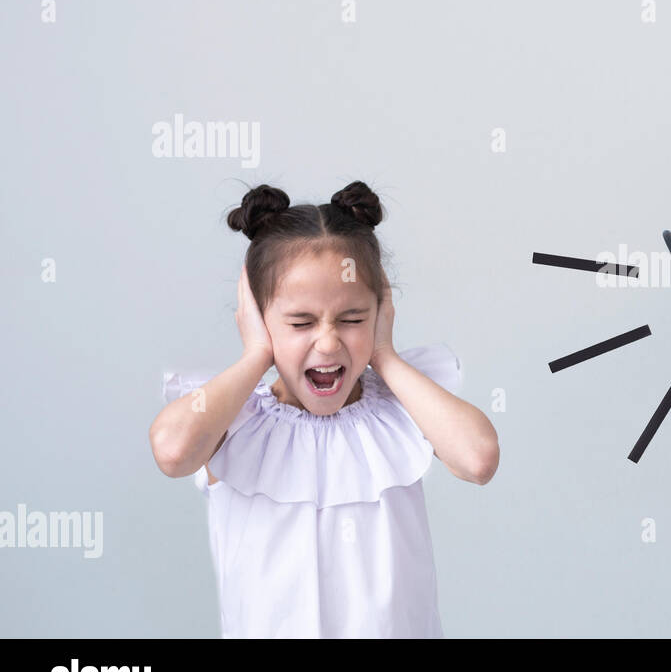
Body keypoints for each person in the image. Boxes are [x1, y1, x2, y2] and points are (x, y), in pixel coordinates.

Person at [149, 181, 500, 637]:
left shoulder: (400, 406)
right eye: (300, 322)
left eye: (353, 319)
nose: (329, 341)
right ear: (258, 318)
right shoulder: (235, 420)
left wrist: (385, 356)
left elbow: (478, 459)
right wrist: (256, 355)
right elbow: (173, 452)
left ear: (379, 313)